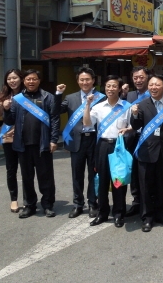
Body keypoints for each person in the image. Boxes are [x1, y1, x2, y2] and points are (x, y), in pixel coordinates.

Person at [3, 69, 60, 219]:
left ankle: (48, 205)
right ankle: (30, 205)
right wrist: (6, 110)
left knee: (45, 176)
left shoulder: (48, 97)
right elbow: (10, 121)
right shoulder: (18, 99)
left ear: (39, 80)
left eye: (34, 79)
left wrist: (54, 140)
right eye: (28, 79)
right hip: (23, 145)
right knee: (27, 177)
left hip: (43, 144)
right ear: (24, 81)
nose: (31, 82)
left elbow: (55, 120)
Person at [84, 75, 132, 228]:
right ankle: (103, 213)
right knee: (102, 181)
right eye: (108, 86)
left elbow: (134, 125)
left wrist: (128, 129)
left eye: (113, 86)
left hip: (118, 146)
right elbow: (87, 124)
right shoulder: (98, 107)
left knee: (118, 181)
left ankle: (119, 213)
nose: (110, 89)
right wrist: (87, 105)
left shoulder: (127, 106)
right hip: (102, 146)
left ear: (119, 89)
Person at [131, 75, 163, 232]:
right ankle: (147, 217)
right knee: (146, 187)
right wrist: (134, 114)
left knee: (161, 185)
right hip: (146, 152)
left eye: (157, 85)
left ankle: (161, 215)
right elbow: (136, 125)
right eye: (151, 85)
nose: (153, 87)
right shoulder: (141, 105)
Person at [58, 67, 101, 219]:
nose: (85, 82)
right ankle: (78, 204)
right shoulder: (70, 98)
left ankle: (93, 203)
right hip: (77, 140)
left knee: (93, 173)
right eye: (82, 80)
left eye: (88, 79)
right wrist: (58, 94)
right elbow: (56, 110)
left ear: (93, 80)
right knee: (77, 174)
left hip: (94, 140)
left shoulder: (101, 97)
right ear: (77, 81)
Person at [0, 69, 25, 213]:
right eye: (9, 78)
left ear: (21, 79)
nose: (12, 81)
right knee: (11, 169)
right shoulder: (4, 96)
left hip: (25, 136)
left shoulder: (27, 95)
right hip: (9, 137)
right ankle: (14, 200)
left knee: (27, 170)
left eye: (15, 78)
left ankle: (29, 200)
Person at [121, 66, 152, 217]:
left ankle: (151, 202)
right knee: (133, 172)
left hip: (149, 139)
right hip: (132, 138)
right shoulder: (129, 95)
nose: (138, 80)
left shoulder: (153, 93)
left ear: (148, 78)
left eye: (141, 77)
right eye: (135, 78)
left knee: (147, 173)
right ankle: (137, 201)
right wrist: (123, 94)